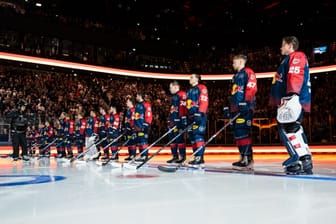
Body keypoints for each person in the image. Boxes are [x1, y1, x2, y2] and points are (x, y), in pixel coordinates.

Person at [269, 36, 313, 175]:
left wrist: (292, 95)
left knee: (290, 127)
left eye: (283, 45)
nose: (281, 47)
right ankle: (304, 158)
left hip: (293, 98)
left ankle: (299, 159)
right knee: (292, 127)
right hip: (289, 98)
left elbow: (296, 74)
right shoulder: (287, 59)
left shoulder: (297, 56)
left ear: (289, 45)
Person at [224, 54, 257, 170]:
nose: (233, 64)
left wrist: (246, 102)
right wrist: (229, 107)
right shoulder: (236, 76)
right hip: (235, 109)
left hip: (245, 108)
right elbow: (234, 93)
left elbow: (252, 87)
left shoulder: (248, 72)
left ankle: (248, 159)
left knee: (243, 132)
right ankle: (243, 157)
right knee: (237, 134)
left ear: (240, 61)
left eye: (234, 62)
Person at [186, 73, 208, 168]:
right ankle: (196, 157)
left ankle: (199, 158)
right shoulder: (189, 90)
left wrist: (200, 112)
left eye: (192, 77)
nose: (190, 79)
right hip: (191, 116)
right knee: (192, 137)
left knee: (198, 135)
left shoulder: (202, 87)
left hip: (199, 115)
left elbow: (204, 100)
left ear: (197, 79)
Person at [166, 80, 188, 164]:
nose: (170, 89)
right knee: (172, 139)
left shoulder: (181, 94)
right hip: (173, 120)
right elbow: (173, 109)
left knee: (179, 138)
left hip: (178, 121)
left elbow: (182, 108)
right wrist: (170, 120)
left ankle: (182, 156)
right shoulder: (174, 96)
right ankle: (174, 156)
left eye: (171, 87)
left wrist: (180, 119)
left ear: (176, 87)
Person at [134, 92, 153, 162]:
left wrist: (146, 124)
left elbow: (149, 115)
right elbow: (136, 117)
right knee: (139, 142)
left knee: (143, 141)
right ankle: (142, 155)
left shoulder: (146, 104)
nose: (136, 97)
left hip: (143, 126)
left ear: (139, 96)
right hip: (138, 127)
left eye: (136, 96)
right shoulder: (137, 106)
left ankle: (145, 155)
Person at [124, 97, 137, 161]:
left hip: (132, 129)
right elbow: (127, 120)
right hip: (128, 128)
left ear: (131, 102)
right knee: (129, 142)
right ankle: (130, 155)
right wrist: (125, 127)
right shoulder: (128, 110)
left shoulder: (133, 110)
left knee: (132, 142)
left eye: (127, 101)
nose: (126, 103)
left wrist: (132, 127)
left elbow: (133, 120)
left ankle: (133, 155)